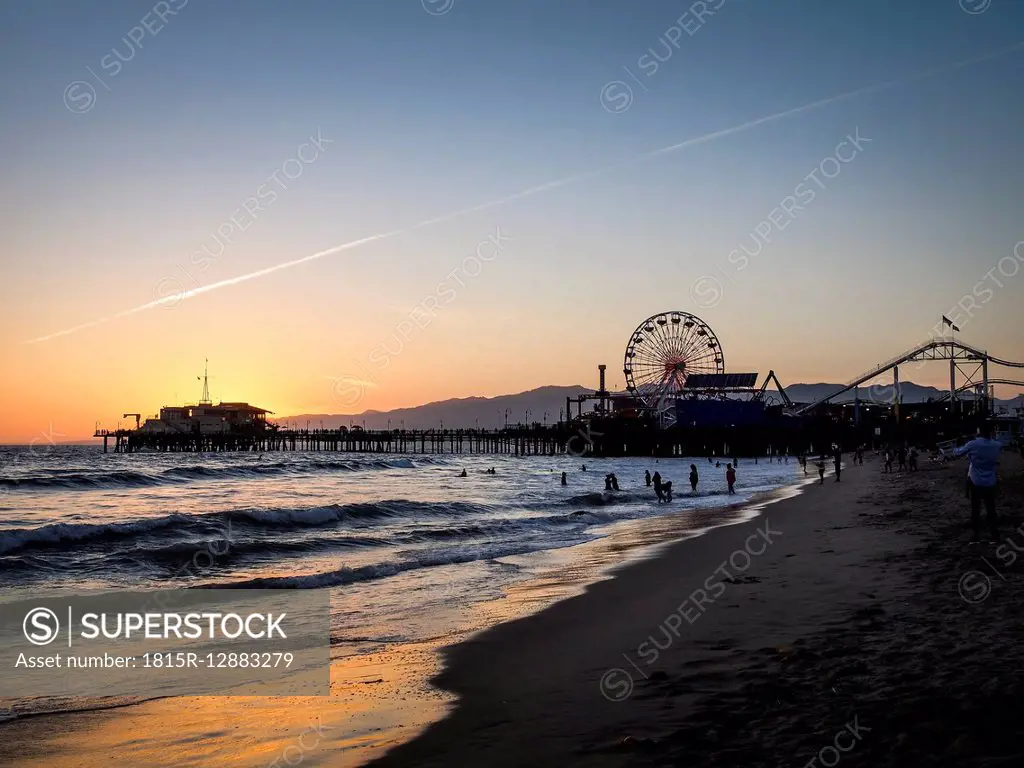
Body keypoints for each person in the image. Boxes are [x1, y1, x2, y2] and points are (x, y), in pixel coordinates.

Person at [953, 424, 1002, 543]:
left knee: (975, 509)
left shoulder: (973, 444)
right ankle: (994, 535)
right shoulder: (997, 445)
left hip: (975, 480)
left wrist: (955, 445)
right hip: (990, 479)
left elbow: (957, 453)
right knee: (991, 508)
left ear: (979, 431)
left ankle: (976, 536)